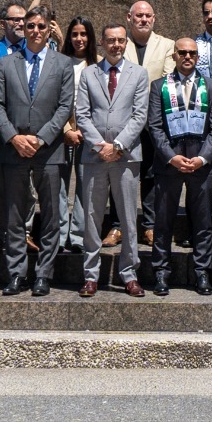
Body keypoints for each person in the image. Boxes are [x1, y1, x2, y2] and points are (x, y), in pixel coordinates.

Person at [0, 8, 75, 297]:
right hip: (14, 150)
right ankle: (16, 273)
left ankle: (43, 274)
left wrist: (40, 139)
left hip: (49, 150)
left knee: (50, 215)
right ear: (22, 28)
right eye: (30, 26)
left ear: (49, 29)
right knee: (14, 215)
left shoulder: (63, 64)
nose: (36, 30)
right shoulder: (5, 63)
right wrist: (14, 137)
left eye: (41, 26)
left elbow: (65, 107)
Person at [75, 24, 149, 298]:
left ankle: (129, 274)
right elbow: (81, 114)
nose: (116, 45)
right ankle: (91, 276)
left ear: (125, 43)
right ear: (102, 44)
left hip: (126, 156)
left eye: (120, 40)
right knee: (93, 218)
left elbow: (139, 116)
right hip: (95, 157)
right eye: (111, 41)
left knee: (129, 218)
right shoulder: (89, 74)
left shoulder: (138, 74)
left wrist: (117, 146)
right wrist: (99, 146)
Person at [145, 37, 212, 296]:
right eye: (182, 52)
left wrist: (203, 158)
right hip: (169, 163)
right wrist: (170, 156)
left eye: (192, 53)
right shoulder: (159, 86)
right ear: (174, 55)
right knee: (163, 222)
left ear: (198, 57)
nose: (187, 57)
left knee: (203, 221)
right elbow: (153, 126)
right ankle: (162, 272)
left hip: (200, 163)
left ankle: (202, 273)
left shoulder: (211, 86)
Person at [57, 16, 97, 256]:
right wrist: (66, 131)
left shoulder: (98, 64)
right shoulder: (59, 62)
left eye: (83, 34)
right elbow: (53, 100)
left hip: (88, 135)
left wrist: (85, 130)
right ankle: (61, 236)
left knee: (86, 186)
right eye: (74, 34)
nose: (79, 39)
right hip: (61, 134)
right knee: (59, 186)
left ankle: (79, 235)